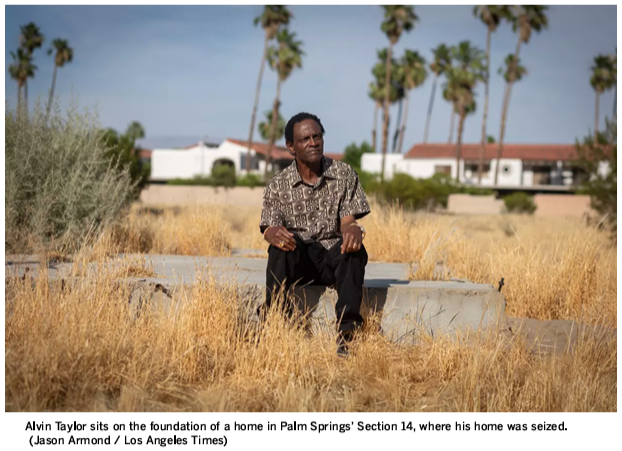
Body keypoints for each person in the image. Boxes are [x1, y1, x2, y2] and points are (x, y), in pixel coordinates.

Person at [258, 112, 371, 356]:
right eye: (305, 138)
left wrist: (353, 229)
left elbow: (348, 221)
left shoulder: (343, 174)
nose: (313, 142)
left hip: (332, 259)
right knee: (279, 246)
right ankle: (274, 321)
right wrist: (272, 232)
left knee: (354, 250)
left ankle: (347, 335)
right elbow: (268, 227)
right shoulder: (278, 185)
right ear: (291, 147)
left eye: (317, 136)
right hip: (298, 261)